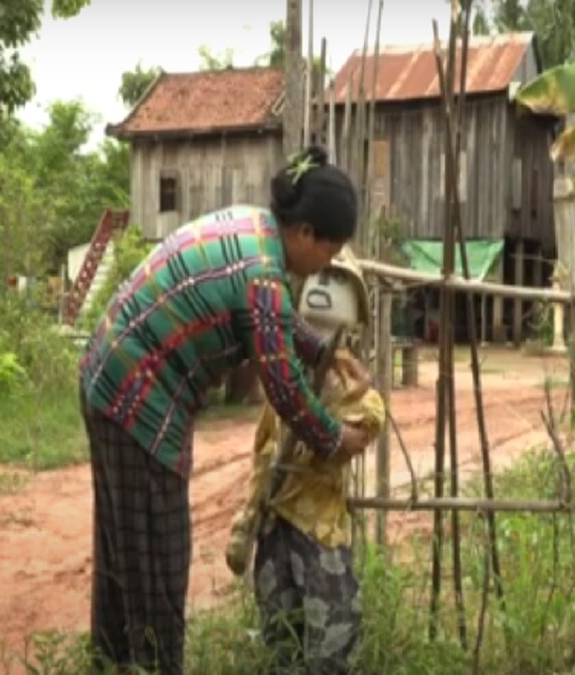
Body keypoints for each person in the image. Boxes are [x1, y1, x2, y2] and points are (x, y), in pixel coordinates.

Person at [78, 145, 373, 674]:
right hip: (139, 399)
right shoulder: (265, 275)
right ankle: (152, 666)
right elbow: (284, 391)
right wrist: (335, 439)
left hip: (107, 374)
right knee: (158, 562)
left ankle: (111, 662)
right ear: (305, 233)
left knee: (123, 549)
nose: (324, 266)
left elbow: (276, 326)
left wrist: (329, 356)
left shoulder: (254, 227)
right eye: (328, 253)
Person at [225, 253, 386, 674]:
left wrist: (325, 419)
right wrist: (247, 517)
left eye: (337, 280)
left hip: (319, 531)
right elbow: (263, 452)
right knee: (281, 640)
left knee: (331, 641)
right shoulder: (283, 372)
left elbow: (355, 433)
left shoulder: (353, 384)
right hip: (276, 523)